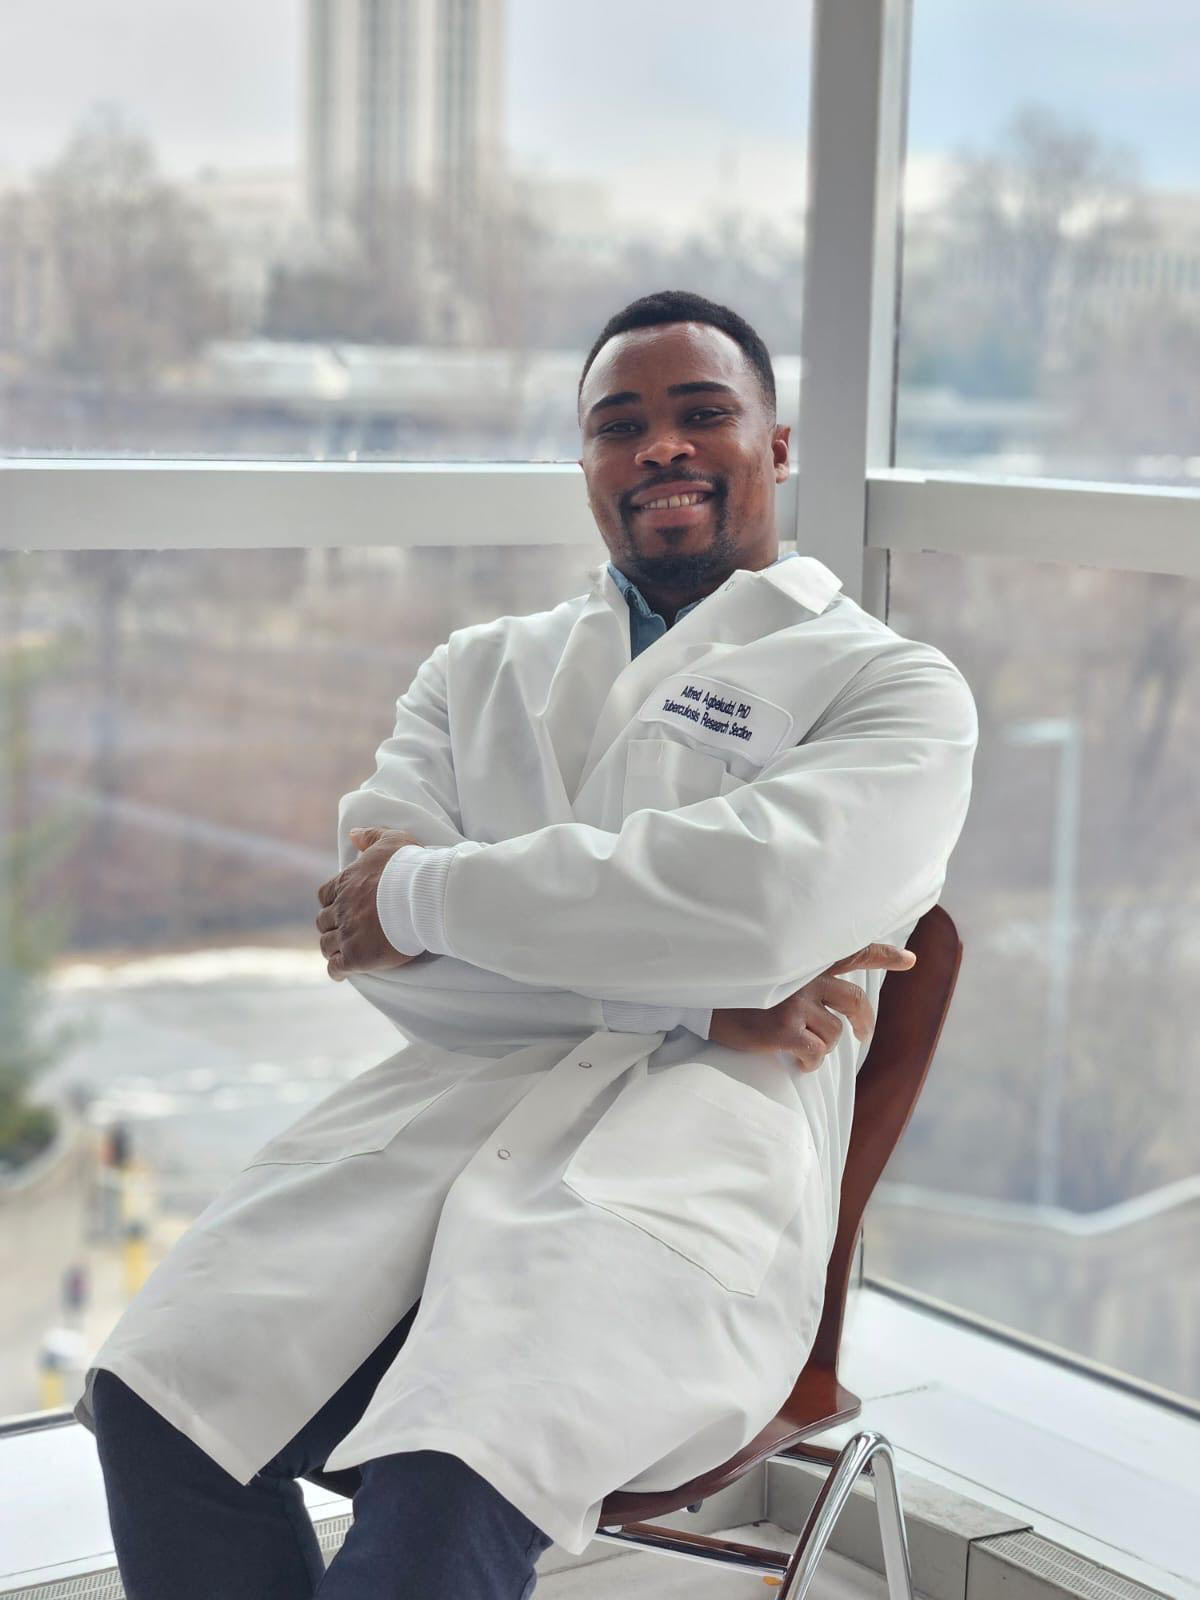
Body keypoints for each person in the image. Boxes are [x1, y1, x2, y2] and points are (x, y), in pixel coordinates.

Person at [77, 290, 978, 1599]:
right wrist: (705, 1002)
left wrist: (427, 900)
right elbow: (400, 979)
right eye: (621, 425)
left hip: (679, 1202)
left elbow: (754, 908)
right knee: (157, 1398)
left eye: (702, 413)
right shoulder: (475, 672)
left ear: (776, 446)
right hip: (428, 1152)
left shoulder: (891, 689)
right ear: (587, 466)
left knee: (449, 1485)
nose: (660, 446)